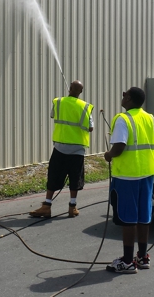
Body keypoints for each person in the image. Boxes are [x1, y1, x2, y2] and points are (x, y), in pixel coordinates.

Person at [104, 87, 154, 274]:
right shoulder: (150, 118)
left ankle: (127, 262)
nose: (122, 96)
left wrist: (108, 155)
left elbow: (119, 147)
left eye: (125, 94)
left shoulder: (123, 119)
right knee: (143, 217)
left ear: (129, 99)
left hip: (127, 176)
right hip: (147, 174)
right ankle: (142, 257)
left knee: (128, 219)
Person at [29, 80, 94, 218]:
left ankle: (46, 206)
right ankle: (72, 207)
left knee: (54, 175)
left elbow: (53, 115)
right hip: (77, 149)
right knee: (75, 178)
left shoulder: (58, 102)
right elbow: (91, 127)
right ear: (81, 92)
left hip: (60, 147)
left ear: (69, 88)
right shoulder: (86, 107)